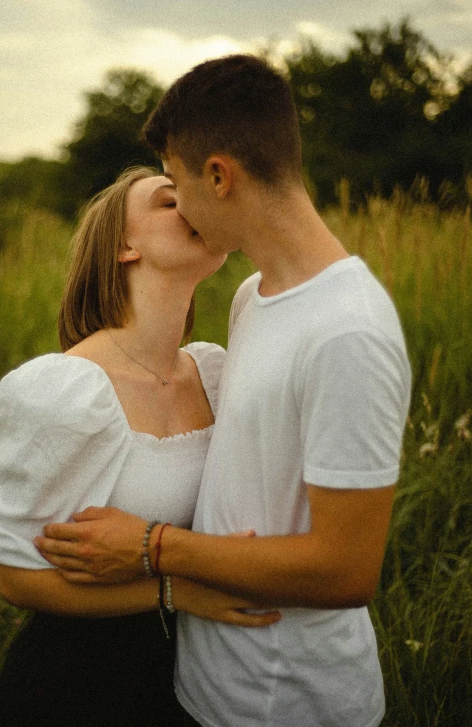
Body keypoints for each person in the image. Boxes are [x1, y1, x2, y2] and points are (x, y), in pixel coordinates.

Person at [35, 55, 412, 727]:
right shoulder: (253, 296)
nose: (181, 205)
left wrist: (152, 547)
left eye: (178, 184)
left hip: (288, 701)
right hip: (201, 685)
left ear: (219, 175)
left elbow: (348, 570)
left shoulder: (348, 329)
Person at [0, 165, 281, 727]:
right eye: (169, 202)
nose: (192, 205)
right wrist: (176, 590)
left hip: (197, 678)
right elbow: (15, 577)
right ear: (124, 247)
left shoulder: (214, 372)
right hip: (78, 686)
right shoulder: (66, 391)